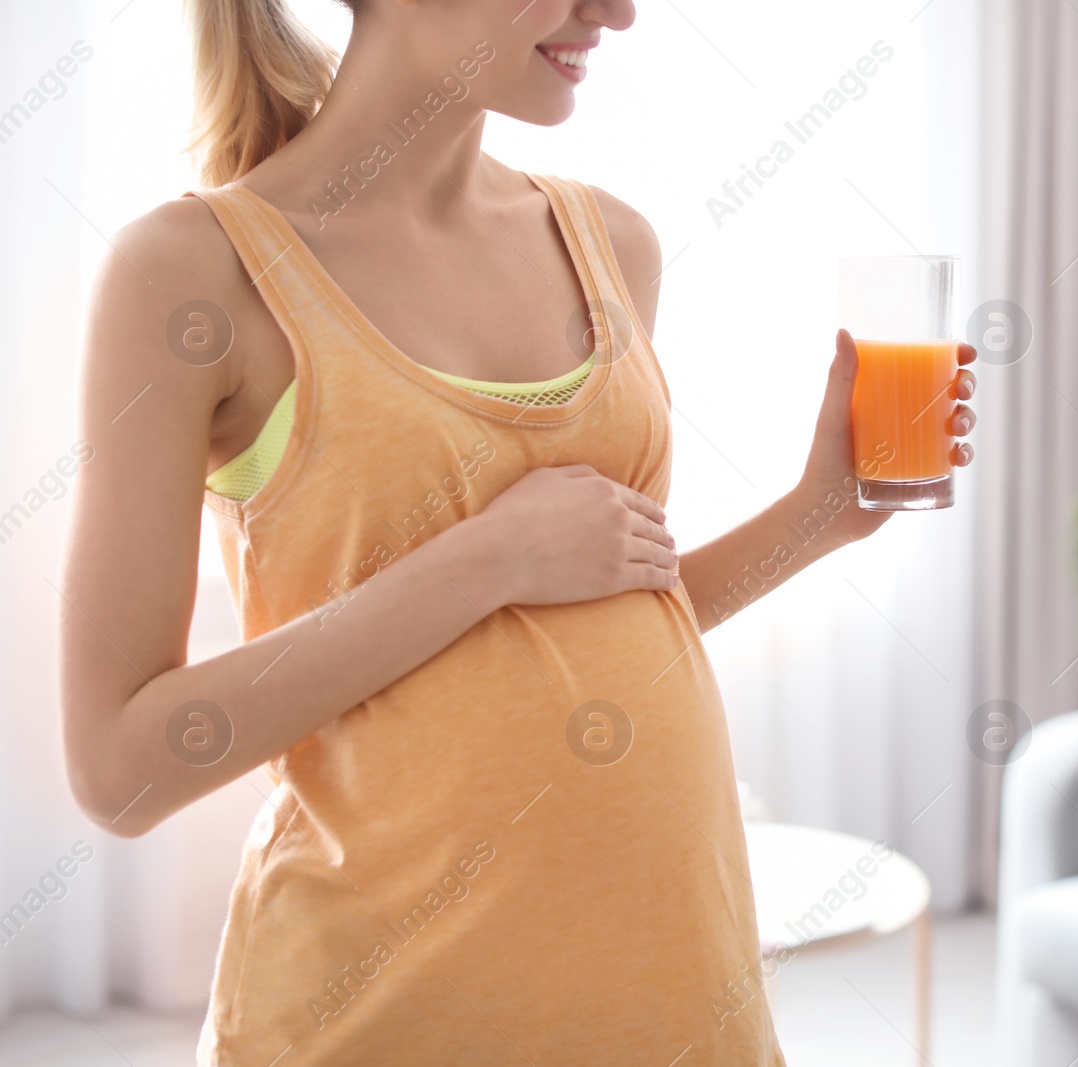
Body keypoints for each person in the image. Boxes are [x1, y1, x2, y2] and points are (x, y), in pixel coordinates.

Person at [58, 0, 977, 1063]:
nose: (620, 12)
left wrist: (817, 517)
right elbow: (121, 768)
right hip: (383, 1016)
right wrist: (484, 559)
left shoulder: (611, 243)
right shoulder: (192, 272)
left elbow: (602, 603)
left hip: (677, 1002)